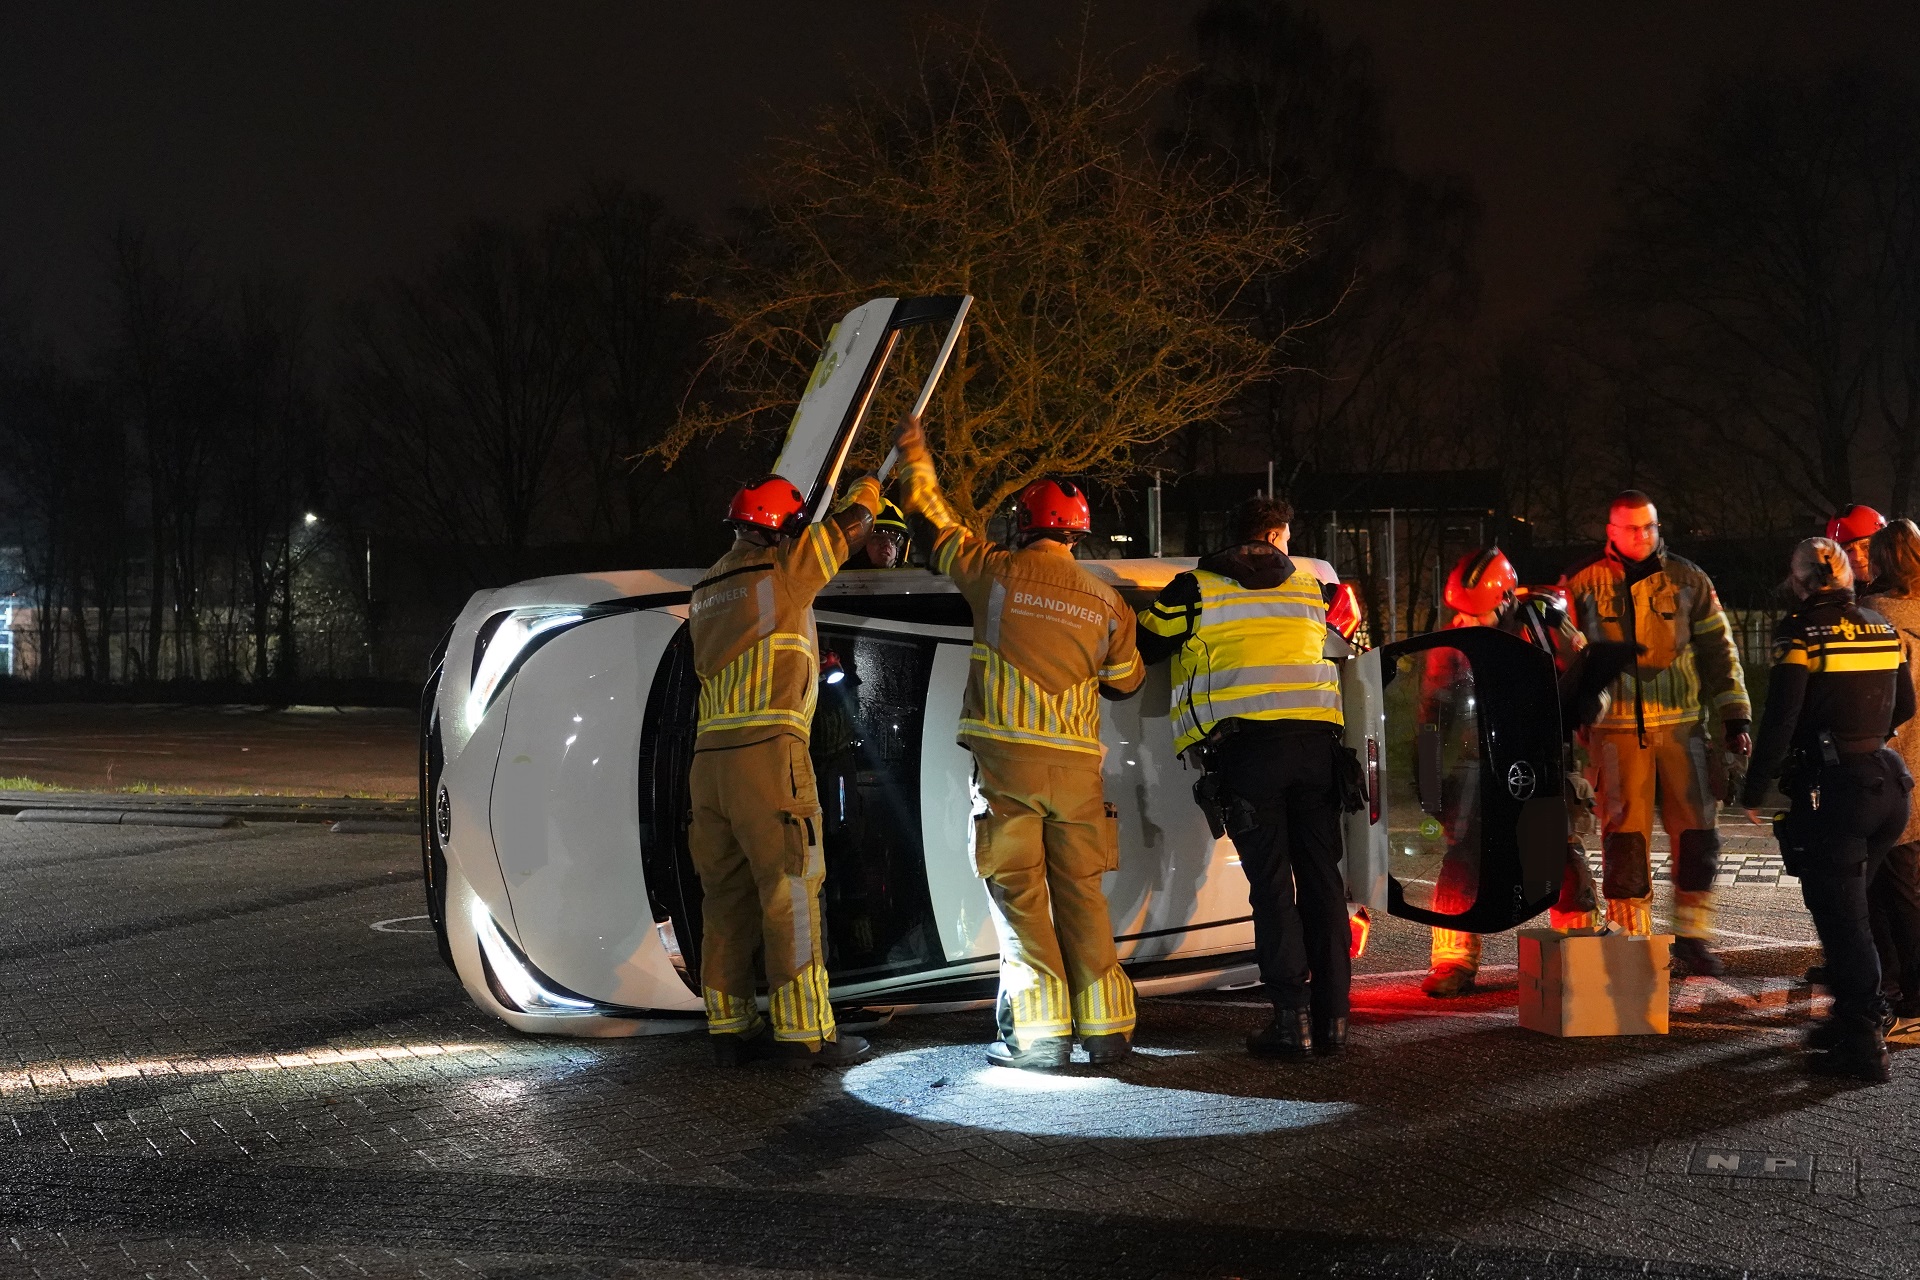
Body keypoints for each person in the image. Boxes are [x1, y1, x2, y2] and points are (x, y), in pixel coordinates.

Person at [893, 417, 1145, 1070]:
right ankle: (1109, 1031)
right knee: (1083, 896)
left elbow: (933, 521)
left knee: (1021, 897)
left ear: (1023, 524)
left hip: (1009, 770)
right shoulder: (1108, 604)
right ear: (1078, 533)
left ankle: (1039, 1038)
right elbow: (1125, 682)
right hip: (1077, 775)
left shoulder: (994, 572)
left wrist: (915, 451)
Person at [1136, 496, 1353, 1058]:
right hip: (1317, 750)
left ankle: (1291, 1022)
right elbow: (1343, 652)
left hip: (1247, 755)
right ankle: (1334, 1021)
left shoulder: (1195, 588)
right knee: (1324, 881)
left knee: (1274, 887)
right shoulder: (1309, 588)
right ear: (1278, 534)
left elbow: (1144, 648)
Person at [685, 471, 882, 1068]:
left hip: (709, 764)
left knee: (725, 897)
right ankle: (804, 1034)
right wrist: (871, 489)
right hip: (769, 754)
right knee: (790, 893)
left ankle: (729, 1025)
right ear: (784, 530)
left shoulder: (706, 589)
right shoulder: (782, 572)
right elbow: (847, 532)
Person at [1740, 538, 1913, 1083]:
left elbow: (1782, 714)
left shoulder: (1800, 632)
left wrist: (1755, 788)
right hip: (1889, 783)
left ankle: (1863, 1035)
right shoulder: (1879, 625)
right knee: (1853, 906)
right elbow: (1905, 702)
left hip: (1838, 790)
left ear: (1799, 582)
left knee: (1842, 915)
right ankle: (1851, 1015)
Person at [1562, 491, 1750, 976]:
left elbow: (1719, 650)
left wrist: (1735, 717)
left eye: (1650, 526)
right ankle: (1634, 944)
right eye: (1632, 528)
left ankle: (1692, 938)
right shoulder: (1582, 584)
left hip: (1685, 728)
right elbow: (1564, 657)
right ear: (1611, 531)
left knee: (1699, 839)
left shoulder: (1690, 579)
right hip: (1615, 733)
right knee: (1625, 843)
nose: (1643, 536)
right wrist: (1572, 715)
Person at [1421, 549, 1603, 997]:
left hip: (1537, 759)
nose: (1464, 623)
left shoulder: (1544, 624)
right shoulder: (1449, 644)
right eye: (1459, 614)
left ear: (1504, 601)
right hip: (1472, 768)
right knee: (1462, 863)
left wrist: (1587, 707)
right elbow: (1429, 717)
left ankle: (1581, 950)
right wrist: (1429, 784)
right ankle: (1452, 960)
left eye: (1475, 614)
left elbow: (1589, 674)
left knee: (1556, 857)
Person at [1861, 519, 1920, 1019]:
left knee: (1888, 884)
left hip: (1894, 765)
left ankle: (1903, 984)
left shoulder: (1874, 617)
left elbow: (1885, 703)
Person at [1828, 505, 1888, 593]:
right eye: (1848, 550)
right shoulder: (1833, 597)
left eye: (1866, 546)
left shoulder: (1906, 591)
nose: (1857, 557)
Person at [846, 500, 912, 569]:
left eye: (893, 539)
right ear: (858, 545)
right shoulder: (836, 577)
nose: (887, 544)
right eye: (877, 537)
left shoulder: (916, 579)